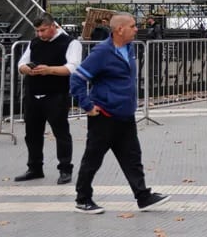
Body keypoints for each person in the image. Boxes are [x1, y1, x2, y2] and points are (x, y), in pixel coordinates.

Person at [70, 13, 170, 214]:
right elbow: (77, 79)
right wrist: (88, 106)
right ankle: (83, 198)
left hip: (125, 115)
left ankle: (143, 196)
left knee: (132, 157)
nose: (136, 29)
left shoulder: (129, 47)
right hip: (104, 116)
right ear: (119, 30)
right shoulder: (102, 52)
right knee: (93, 158)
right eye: (132, 26)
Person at [15, 13, 81, 185]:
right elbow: (21, 63)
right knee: (32, 134)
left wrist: (49, 70)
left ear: (53, 26)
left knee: (61, 133)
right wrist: (26, 70)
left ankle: (65, 169)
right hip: (33, 93)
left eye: (43, 30)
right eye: (37, 31)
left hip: (56, 94)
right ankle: (35, 168)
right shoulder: (34, 42)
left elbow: (72, 67)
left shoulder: (71, 43)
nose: (40, 34)